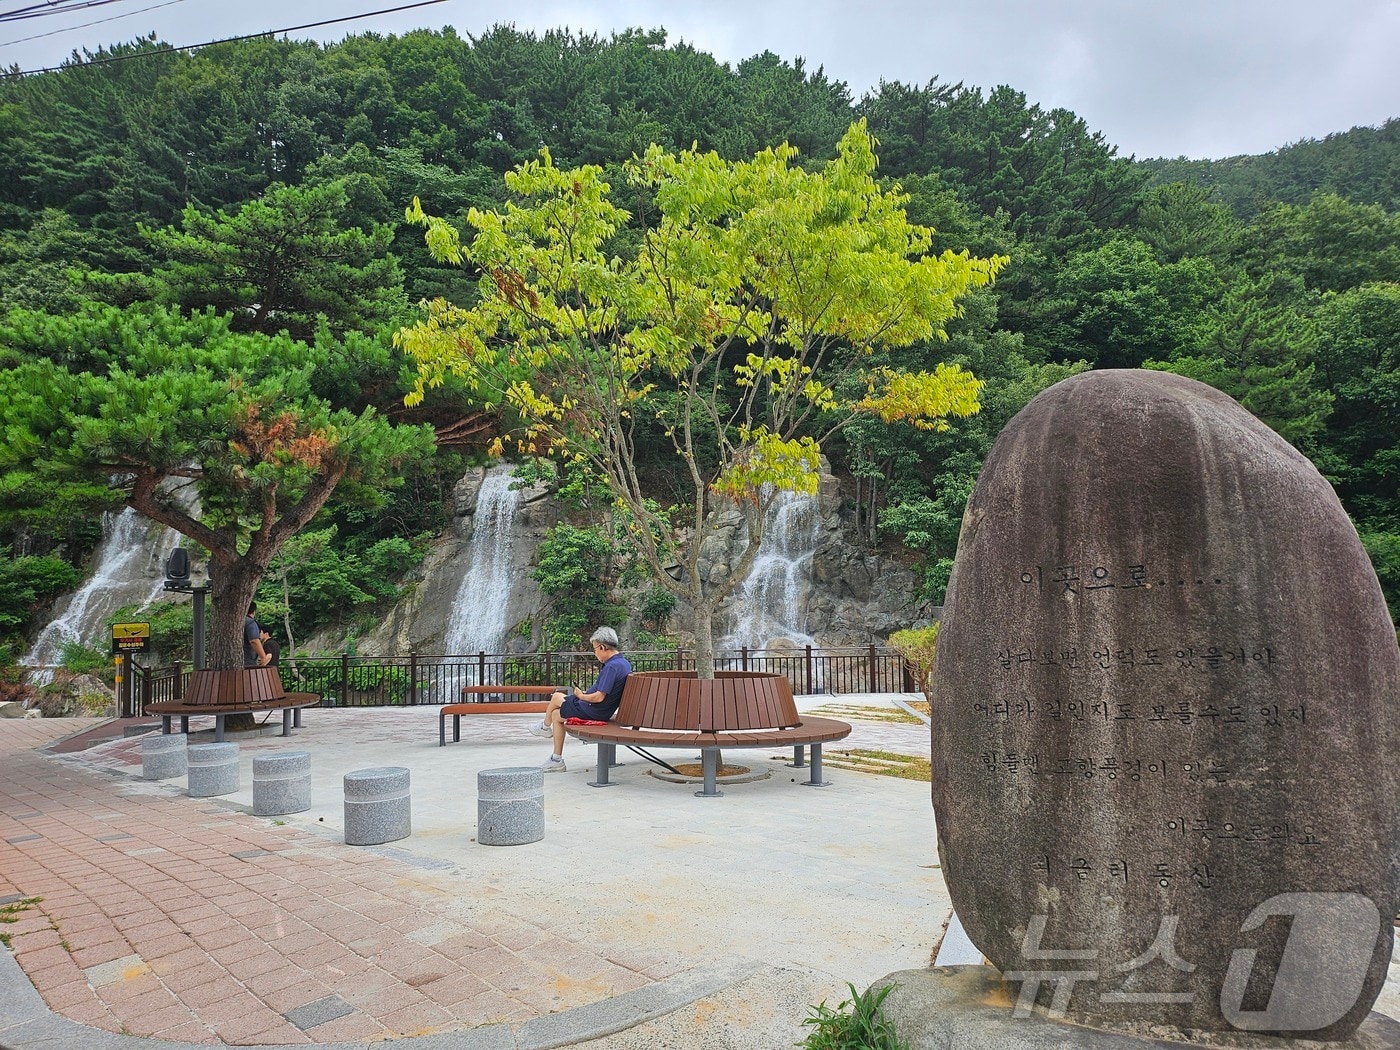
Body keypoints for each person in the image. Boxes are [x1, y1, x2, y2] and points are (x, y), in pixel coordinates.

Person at [529, 626, 630, 772]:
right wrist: (585, 695)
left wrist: (582, 696)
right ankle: (556, 759)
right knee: (556, 715)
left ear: (602, 647)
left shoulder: (612, 667)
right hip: (599, 709)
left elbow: (599, 697)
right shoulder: (623, 663)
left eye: (595, 649)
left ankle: (545, 728)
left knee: (557, 696)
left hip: (595, 710)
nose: (595, 653)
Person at [244, 602, 271, 668]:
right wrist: (263, 657)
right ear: (254, 611)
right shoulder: (251, 623)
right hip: (248, 660)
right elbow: (254, 640)